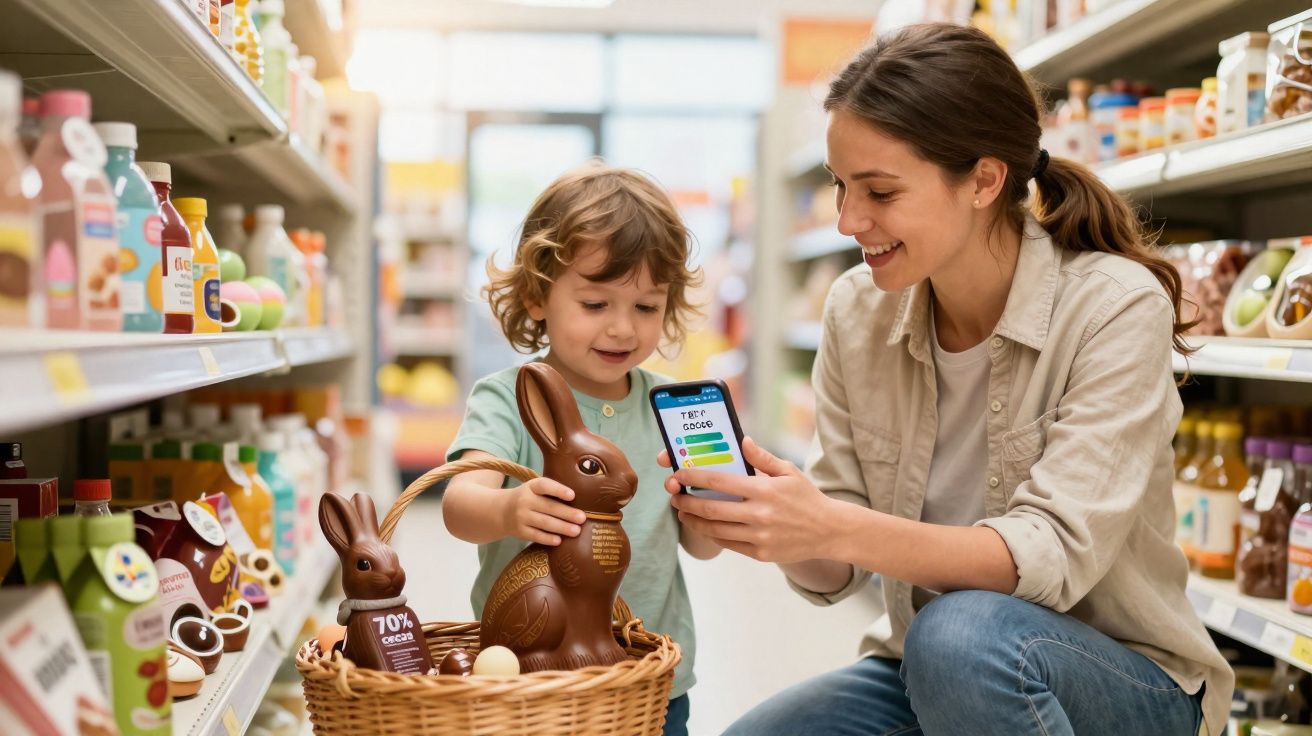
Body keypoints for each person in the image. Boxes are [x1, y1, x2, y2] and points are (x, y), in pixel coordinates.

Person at [662, 24, 1232, 736]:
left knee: (958, 636)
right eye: (841, 187)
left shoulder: (1113, 306)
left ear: (985, 181)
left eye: (879, 191)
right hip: (924, 669)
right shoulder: (856, 309)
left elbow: (1047, 555)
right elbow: (835, 572)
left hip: (1121, 681)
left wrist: (835, 524)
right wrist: (778, 525)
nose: (847, 219)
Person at [442, 162, 718, 736]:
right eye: (596, 305)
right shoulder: (508, 398)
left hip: (649, 681)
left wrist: (717, 508)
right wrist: (509, 510)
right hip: (527, 679)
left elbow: (700, 545)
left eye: (646, 306)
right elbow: (459, 505)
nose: (623, 329)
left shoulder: (672, 408)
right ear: (538, 296)